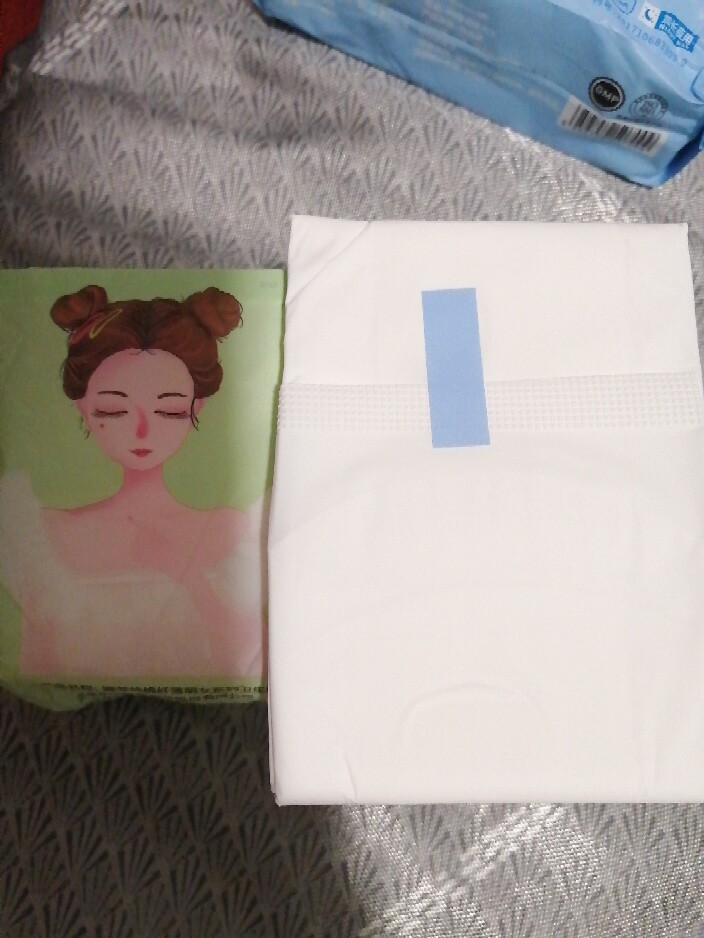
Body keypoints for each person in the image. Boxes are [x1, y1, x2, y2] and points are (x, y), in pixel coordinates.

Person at [0, 285, 266, 678]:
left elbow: (246, 657)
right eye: (114, 410)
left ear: (197, 406)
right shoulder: (41, 534)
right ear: (83, 407)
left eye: (169, 411)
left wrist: (184, 571)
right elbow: (36, 668)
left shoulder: (230, 528)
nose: (142, 430)